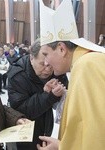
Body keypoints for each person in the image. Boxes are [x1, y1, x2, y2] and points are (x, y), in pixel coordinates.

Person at [37, 0, 105, 149]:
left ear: (61, 49)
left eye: (46, 54)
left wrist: (61, 146)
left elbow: (98, 131)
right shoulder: (85, 62)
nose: (46, 62)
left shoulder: (87, 65)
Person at [7, 38, 68, 150]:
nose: (47, 70)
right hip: (24, 132)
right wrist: (50, 95)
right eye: (42, 64)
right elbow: (22, 110)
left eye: (50, 65)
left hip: (46, 126)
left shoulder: (56, 70)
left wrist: (60, 89)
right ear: (31, 58)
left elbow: (66, 90)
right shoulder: (17, 75)